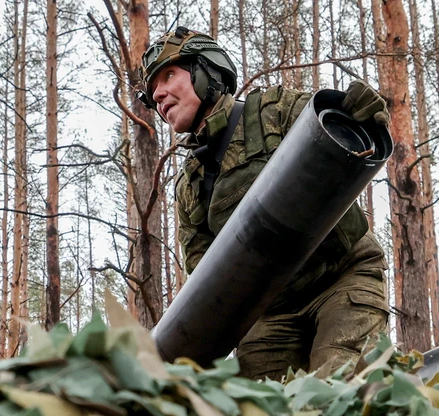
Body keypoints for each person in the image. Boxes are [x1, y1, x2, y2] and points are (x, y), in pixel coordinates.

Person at [138, 27, 390, 380]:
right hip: (272, 311)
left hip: (341, 277)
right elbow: (207, 275)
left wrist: (364, 111)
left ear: (206, 72)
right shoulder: (190, 185)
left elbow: (346, 120)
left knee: (341, 392)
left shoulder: (273, 111)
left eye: (168, 76)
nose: (159, 95)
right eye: (152, 94)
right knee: (260, 414)